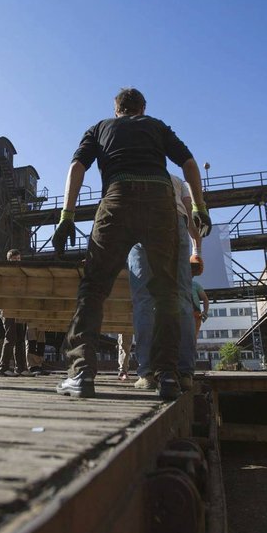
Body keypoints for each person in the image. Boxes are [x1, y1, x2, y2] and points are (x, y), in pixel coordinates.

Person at [52, 87, 212, 399]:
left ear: (117, 110)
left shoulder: (99, 128)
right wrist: (199, 208)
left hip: (117, 197)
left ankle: (82, 374)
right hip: (160, 201)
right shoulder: (156, 126)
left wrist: (66, 216)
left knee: (94, 288)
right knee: (167, 292)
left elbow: (76, 168)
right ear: (142, 108)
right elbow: (189, 164)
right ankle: (167, 376)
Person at [129, 173, 202, 393]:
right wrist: (197, 251)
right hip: (174, 221)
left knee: (143, 299)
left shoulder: (127, 170)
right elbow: (192, 217)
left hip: (138, 220)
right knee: (181, 295)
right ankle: (184, 372)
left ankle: (148, 373)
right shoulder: (177, 180)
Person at [0, 248, 31, 376]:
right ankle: (3, 368)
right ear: (8, 260)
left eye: (18, 259)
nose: (16, 261)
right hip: (6, 306)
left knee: (21, 337)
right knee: (11, 336)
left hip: (19, 307)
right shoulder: (4, 273)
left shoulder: (22, 273)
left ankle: (21, 368)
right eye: (13, 259)